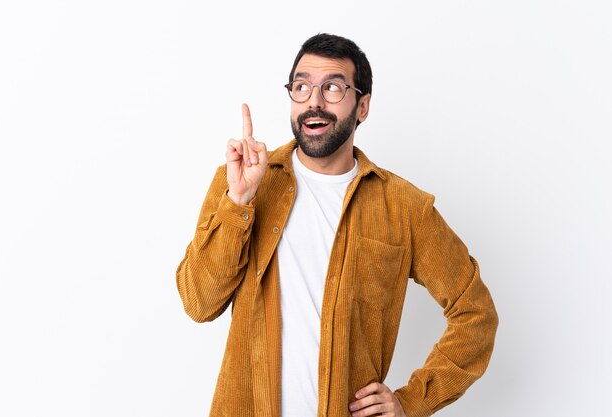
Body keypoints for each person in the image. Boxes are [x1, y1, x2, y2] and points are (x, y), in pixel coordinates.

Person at [176, 33, 498, 417]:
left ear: (362, 106)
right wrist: (239, 202)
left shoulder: (405, 208)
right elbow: (199, 302)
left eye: (332, 87)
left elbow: (475, 313)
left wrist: (411, 401)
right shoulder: (240, 184)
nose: (314, 100)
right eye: (301, 86)